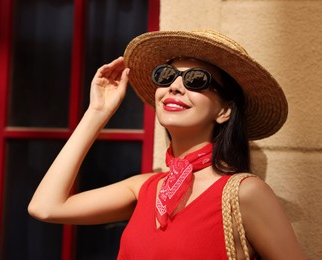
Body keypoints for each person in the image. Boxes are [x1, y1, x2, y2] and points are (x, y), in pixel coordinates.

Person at [28, 30, 306, 259]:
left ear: (225, 111)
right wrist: (97, 113)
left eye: (196, 80)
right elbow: (46, 207)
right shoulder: (143, 188)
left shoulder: (244, 193)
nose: (175, 86)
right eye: (166, 76)